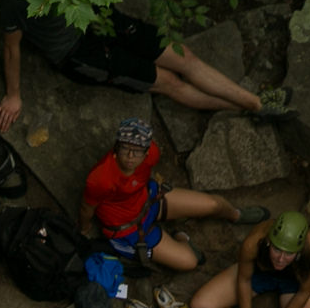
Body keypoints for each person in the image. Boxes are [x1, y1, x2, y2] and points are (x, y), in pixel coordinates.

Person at [0, 0, 293, 133]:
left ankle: (255, 103)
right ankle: (255, 106)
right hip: (79, 52)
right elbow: (11, 50)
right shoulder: (12, 2)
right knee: (169, 82)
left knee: (184, 57)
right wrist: (13, 94)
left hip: (101, 20)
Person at [78, 118, 268, 275]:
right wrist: (84, 229)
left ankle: (235, 215)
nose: (129, 156)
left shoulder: (152, 153)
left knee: (213, 204)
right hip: (127, 228)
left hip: (148, 200)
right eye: (124, 148)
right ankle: (181, 237)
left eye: (136, 151)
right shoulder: (100, 178)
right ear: (116, 147)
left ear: (145, 152)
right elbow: (87, 207)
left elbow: (143, 175)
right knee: (189, 262)